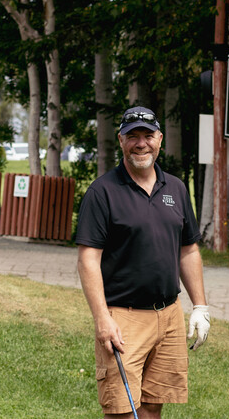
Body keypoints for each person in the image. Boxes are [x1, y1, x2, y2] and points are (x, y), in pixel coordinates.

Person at [75, 106, 210, 419]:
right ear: (120, 141)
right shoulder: (102, 192)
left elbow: (188, 250)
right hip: (124, 317)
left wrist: (200, 306)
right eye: (132, 136)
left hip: (169, 314)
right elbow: (88, 260)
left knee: (152, 406)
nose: (141, 143)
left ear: (159, 139)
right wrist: (102, 318)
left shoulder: (175, 188)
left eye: (147, 135)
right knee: (121, 409)